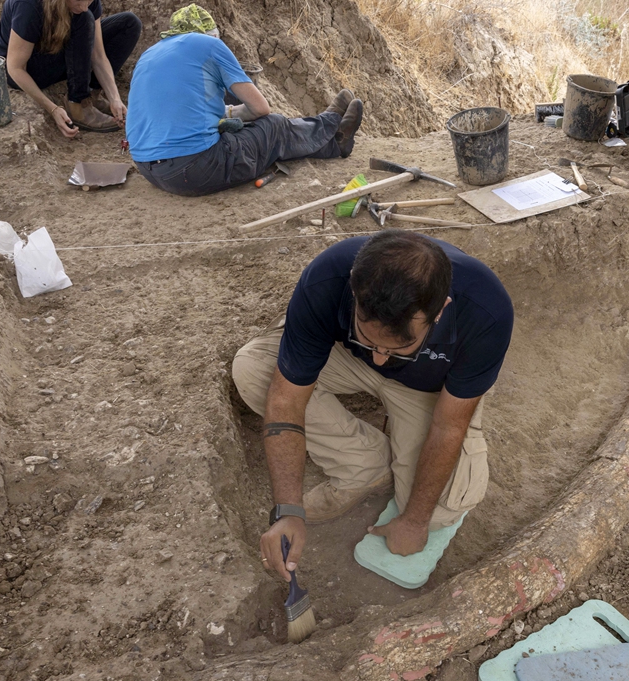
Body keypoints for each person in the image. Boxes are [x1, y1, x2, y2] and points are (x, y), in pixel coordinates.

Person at [232, 231, 514, 580]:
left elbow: (448, 425)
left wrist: (414, 521)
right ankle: (364, 463)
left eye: (398, 346)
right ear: (354, 294)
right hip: (345, 360)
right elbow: (285, 396)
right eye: (369, 338)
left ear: (440, 310)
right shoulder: (328, 277)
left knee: (441, 511)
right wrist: (288, 511)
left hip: (430, 389)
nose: (381, 359)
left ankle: (396, 441)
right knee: (253, 369)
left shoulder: (485, 311)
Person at [126, 4, 363, 197]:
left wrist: (226, 115)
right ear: (212, 34)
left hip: (148, 169)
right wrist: (237, 116)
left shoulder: (150, 54)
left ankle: (332, 132)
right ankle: (332, 133)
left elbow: (182, 112)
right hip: (193, 172)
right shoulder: (209, 45)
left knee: (242, 130)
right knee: (274, 126)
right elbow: (260, 108)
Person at [0, 0, 140, 136]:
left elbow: (98, 56)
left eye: (88, 1)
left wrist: (114, 97)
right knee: (84, 18)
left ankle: (92, 96)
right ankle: (78, 104)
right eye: (79, 1)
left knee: (128, 23)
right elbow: (15, 67)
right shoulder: (28, 5)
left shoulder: (84, 3)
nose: (84, 6)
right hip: (26, 70)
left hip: (60, 52)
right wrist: (53, 109)